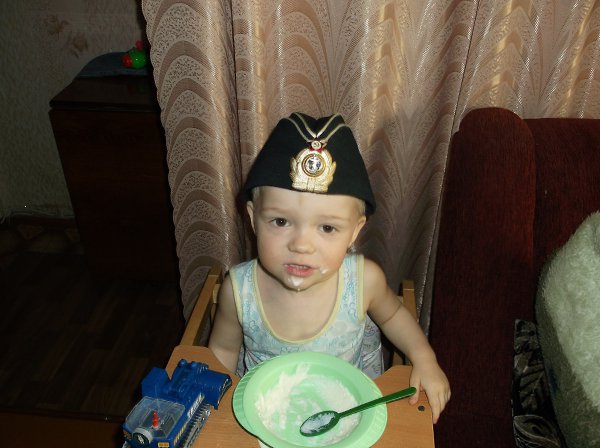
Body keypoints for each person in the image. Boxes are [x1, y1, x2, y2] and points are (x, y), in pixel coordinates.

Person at [208, 113, 450, 422]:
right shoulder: (238, 290)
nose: (301, 245)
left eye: (327, 228)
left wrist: (424, 357)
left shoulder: (365, 281)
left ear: (354, 231)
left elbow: (394, 316)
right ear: (254, 218)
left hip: (348, 410)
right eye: (280, 221)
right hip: (266, 411)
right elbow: (224, 350)